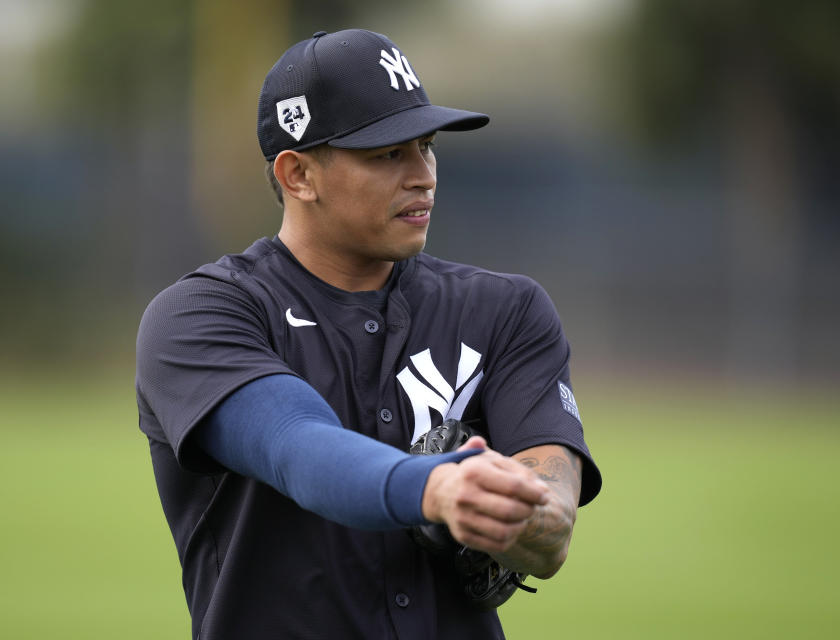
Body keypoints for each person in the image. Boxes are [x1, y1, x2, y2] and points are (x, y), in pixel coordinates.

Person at [136, 28, 601, 640]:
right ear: (298, 174)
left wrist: (519, 510)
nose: (424, 176)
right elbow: (295, 447)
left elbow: (553, 521)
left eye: (427, 147)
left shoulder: (506, 311)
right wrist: (437, 487)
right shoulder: (201, 316)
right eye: (388, 154)